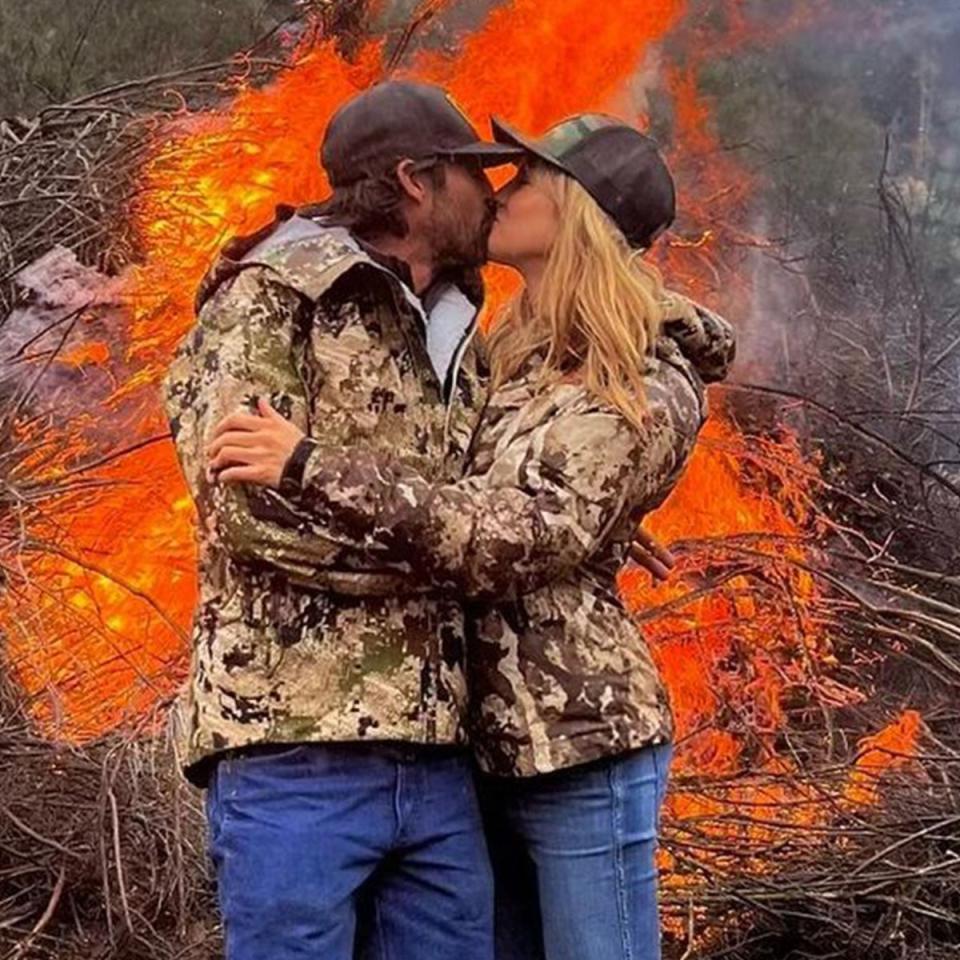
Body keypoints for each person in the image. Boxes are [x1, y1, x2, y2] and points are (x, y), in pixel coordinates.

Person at [208, 113, 736, 960]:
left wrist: (310, 466)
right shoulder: (513, 350)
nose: (502, 192)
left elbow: (527, 530)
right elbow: (488, 497)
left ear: (579, 215)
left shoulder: (646, 368)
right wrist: (582, 527)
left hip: (580, 738)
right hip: (480, 744)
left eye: (525, 179)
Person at [163, 80, 525, 960]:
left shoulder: (463, 323)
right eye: (477, 175)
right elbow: (252, 512)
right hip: (294, 749)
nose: (496, 194)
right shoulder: (270, 299)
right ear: (415, 181)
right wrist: (454, 548)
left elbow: (497, 510)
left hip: (441, 754)